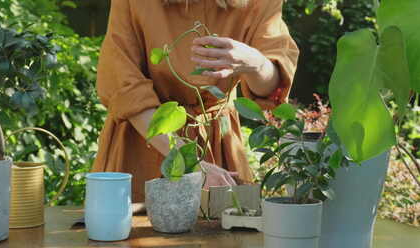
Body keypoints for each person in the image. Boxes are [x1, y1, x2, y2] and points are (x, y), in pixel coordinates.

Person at [92, 0, 299, 204]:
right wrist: (191, 163)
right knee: (132, 232)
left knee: (225, 231)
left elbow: (271, 89)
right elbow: (124, 86)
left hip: (218, 143)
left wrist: (256, 64)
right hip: (144, 142)